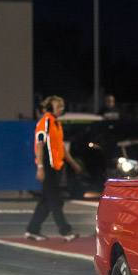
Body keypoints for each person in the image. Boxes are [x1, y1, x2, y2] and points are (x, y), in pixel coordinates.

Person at [25, 96, 82, 241]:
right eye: (59, 106)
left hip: (56, 167)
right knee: (56, 200)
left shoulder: (56, 124)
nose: (62, 108)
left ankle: (32, 230)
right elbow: (39, 145)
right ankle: (66, 231)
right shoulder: (44, 123)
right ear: (50, 109)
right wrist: (40, 167)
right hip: (48, 167)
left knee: (45, 202)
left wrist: (72, 163)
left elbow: (60, 147)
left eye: (62, 106)